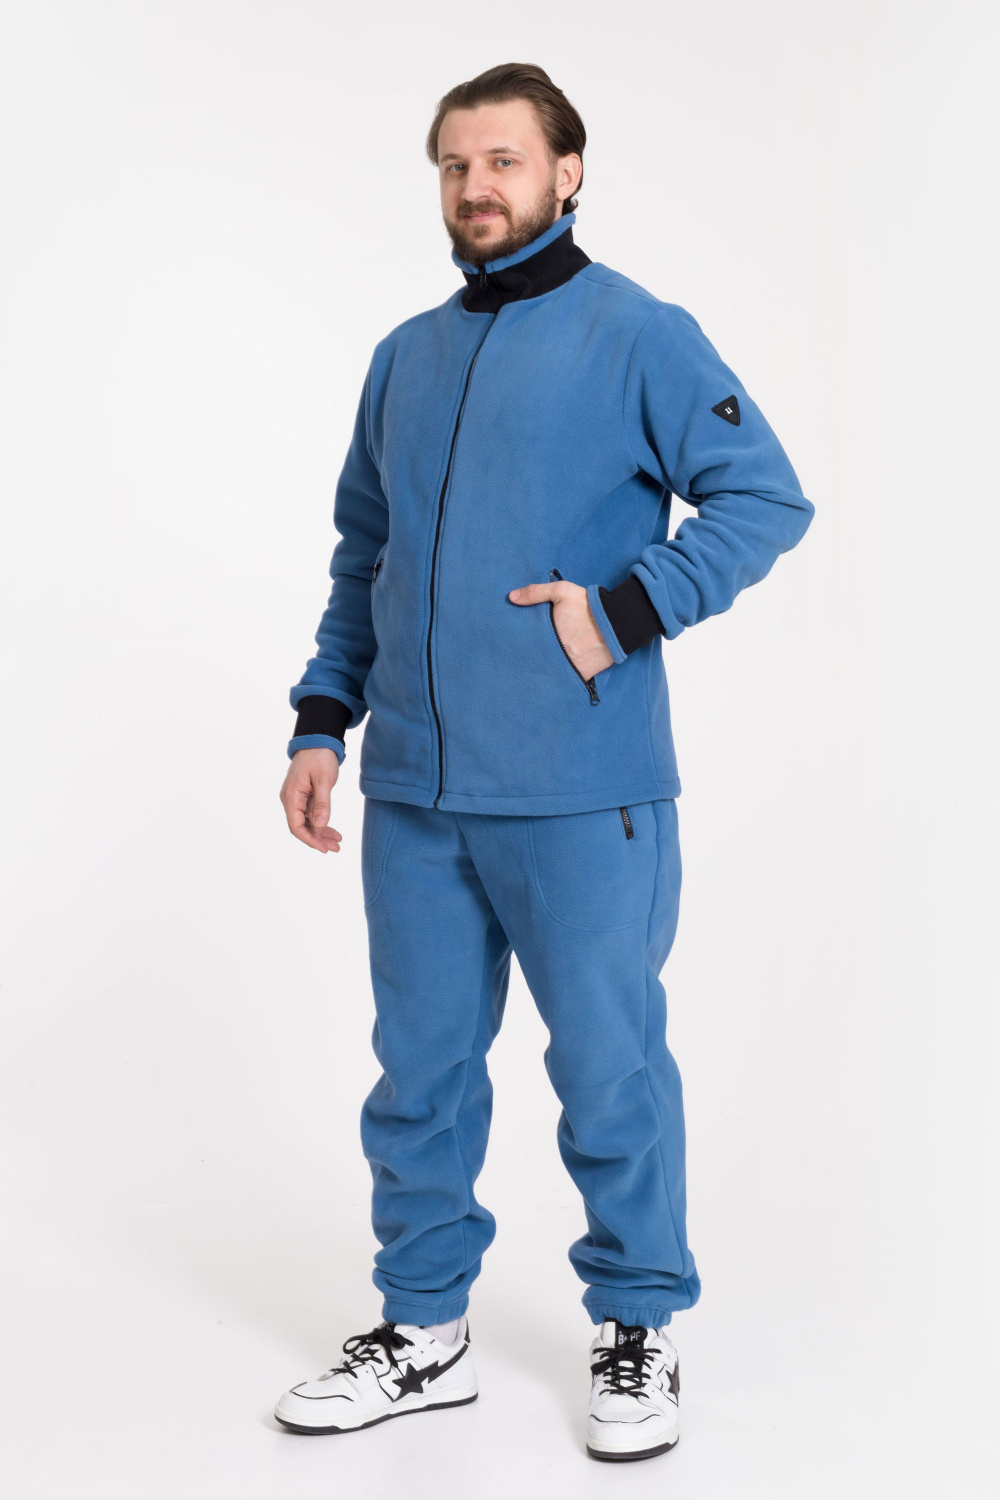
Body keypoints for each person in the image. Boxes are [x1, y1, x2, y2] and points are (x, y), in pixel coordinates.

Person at [273, 62, 813, 1462]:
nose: (477, 187)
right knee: (420, 1076)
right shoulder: (404, 356)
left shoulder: (639, 335)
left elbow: (764, 497)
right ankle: (425, 1330)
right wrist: (324, 721)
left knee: (610, 1070)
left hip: (583, 793)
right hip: (416, 793)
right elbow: (364, 556)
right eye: (456, 164)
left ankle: (638, 1323)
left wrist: (625, 609)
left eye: (504, 160)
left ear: (568, 172)